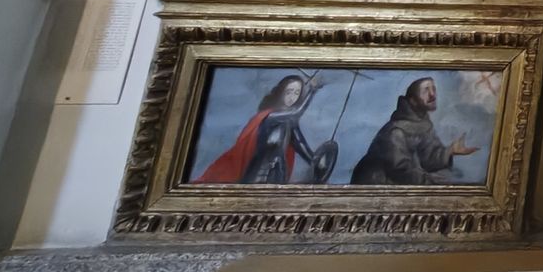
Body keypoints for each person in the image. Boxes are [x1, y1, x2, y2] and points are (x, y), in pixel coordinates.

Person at [194, 74, 325, 184]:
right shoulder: (270, 117)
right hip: (258, 174)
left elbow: (303, 148)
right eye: (289, 92)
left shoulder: (291, 124)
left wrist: (320, 162)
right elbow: (297, 112)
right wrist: (312, 91)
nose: (292, 97)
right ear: (281, 92)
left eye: (297, 93)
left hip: (279, 174)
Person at [349, 77, 480, 185]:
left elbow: (428, 159)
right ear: (413, 101)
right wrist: (430, 181)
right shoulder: (395, 131)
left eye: (433, 89)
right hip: (375, 187)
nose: (432, 95)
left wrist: (450, 151)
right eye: (426, 91)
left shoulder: (423, 124)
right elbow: (400, 170)